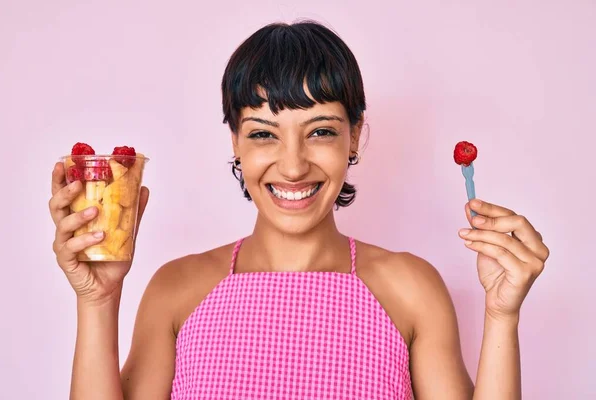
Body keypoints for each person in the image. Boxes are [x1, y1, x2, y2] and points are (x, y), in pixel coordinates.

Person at [49, 21, 550, 400]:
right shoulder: (176, 290)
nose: (292, 166)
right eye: (264, 133)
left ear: (355, 135)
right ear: (237, 143)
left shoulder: (411, 287)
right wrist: (98, 300)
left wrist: (502, 316)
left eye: (322, 131)